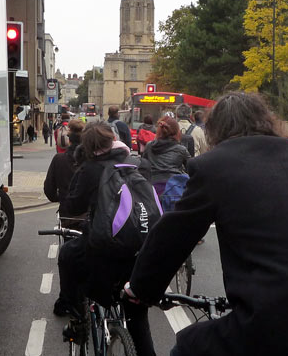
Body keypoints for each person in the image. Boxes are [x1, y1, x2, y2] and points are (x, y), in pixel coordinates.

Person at [125, 92, 288, 356]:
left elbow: (173, 236)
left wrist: (141, 288)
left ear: (216, 131)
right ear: (266, 121)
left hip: (280, 321)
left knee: (187, 347)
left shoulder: (215, 166)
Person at [58, 122, 156, 356]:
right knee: (137, 316)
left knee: (68, 255)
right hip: (140, 250)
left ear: (88, 147)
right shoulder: (137, 163)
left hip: (104, 252)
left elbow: (72, 206)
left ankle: (75, 315)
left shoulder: (90, 169)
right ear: (113, 140)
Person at [44, 119, 85, 222]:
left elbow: (49, 189)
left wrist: (61, 198)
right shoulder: (91, 159)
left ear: (69, 140)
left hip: (67, 214)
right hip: (87, 216)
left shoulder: (58, 159)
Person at [142, 116, 190, 195]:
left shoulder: (149, 146)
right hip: (174, 189)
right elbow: (191, 168)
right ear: (177, 131)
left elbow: (144, 166)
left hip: (153, 188)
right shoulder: (181, 149)